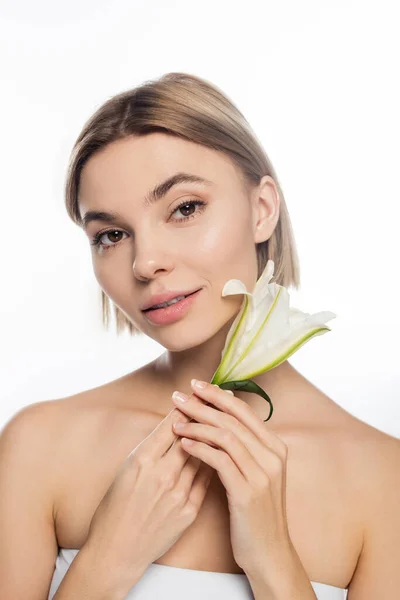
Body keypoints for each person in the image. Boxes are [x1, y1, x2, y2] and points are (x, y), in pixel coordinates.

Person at [1, 72, 399, 600]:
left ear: (262, 211)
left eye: (184, 208)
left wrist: (273, 559)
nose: (145, 262)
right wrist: (109, 557)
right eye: (111, 235)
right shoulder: (38, 445)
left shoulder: (384, 481)